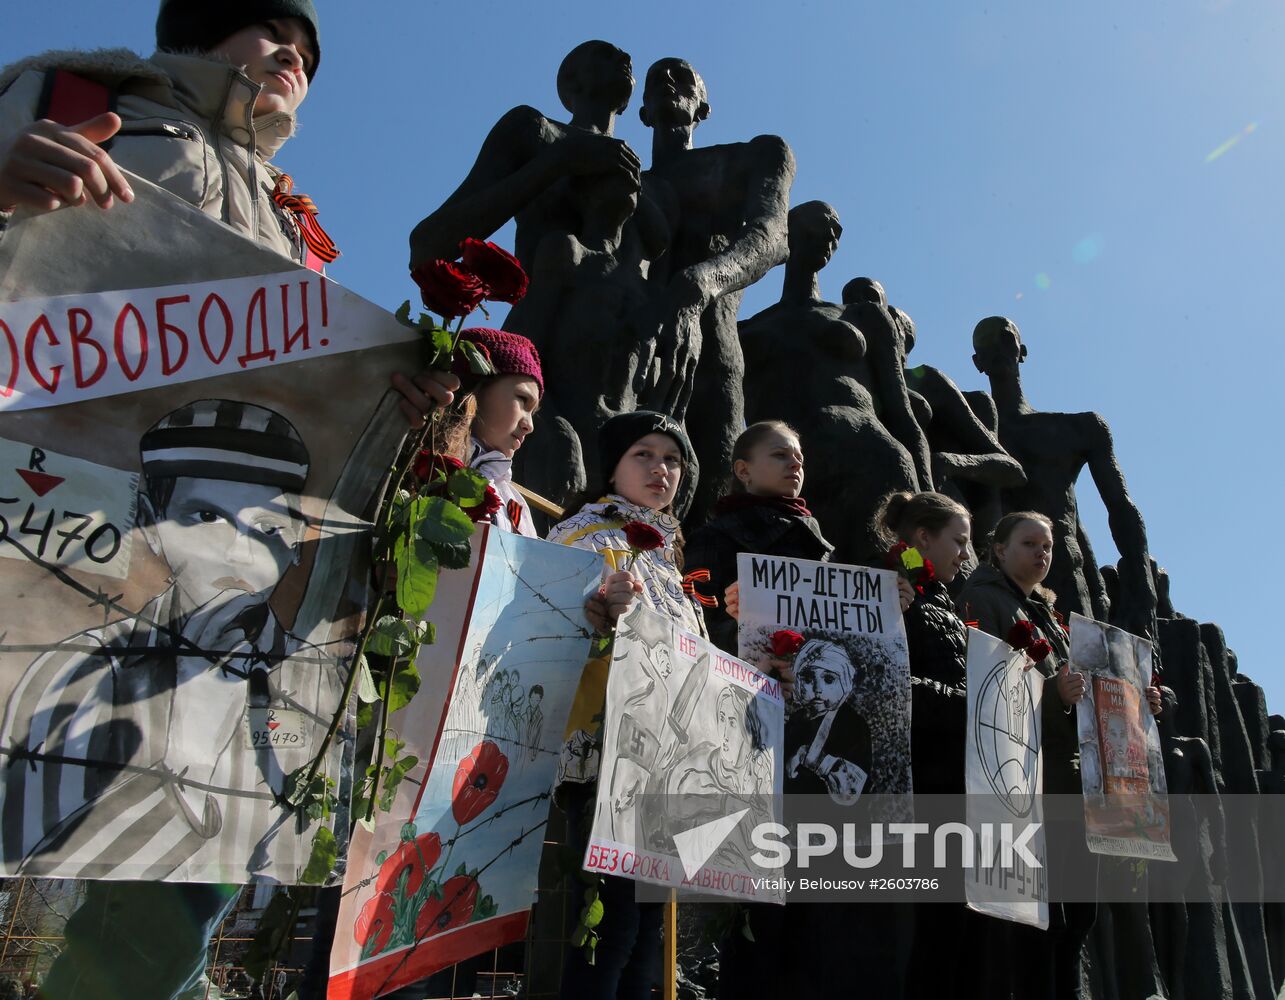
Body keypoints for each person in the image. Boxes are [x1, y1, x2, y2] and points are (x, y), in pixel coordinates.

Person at [0, 6, 453, 998]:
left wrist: (395, 405)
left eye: (311, 54)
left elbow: (309, 410)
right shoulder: (78, 97)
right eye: (269, 27)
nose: (295, 57)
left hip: (207, 593)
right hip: (40, 522)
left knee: (177, 886)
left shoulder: (294, 222)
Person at [547, 409, 705, 1000]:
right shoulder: (583, 536)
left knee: (648, 933)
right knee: (607, 926)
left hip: (666, 763)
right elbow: (546, 626)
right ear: (612, 468)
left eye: (672, 460)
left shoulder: (667, 558)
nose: (661, 469)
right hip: (608, 755)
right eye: (644, 454)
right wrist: (595, 617)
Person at [956, 512, 1090, 1000]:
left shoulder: (1045, 614)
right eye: (1030, 543)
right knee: (1040, 924)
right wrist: (1055, 695)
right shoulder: (983, 600)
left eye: (1047, 546)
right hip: (1026, 787)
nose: (1042, 553)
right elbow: (988, 693)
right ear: (999, 549)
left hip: (1066, 779)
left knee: (1078, 916)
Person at [684, 421, 833, 653]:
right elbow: (692, 624)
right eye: (780, 455)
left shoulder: (821, 546)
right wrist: (740, 632)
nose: (796, 464)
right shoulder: (711, 538)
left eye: (800, 459)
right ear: (743, 471)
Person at [455, 327, 544, 537]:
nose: (529, 425)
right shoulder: (422, 463)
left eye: (533, 413)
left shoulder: (515, 503)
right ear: (477, 387)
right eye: (522, 399)